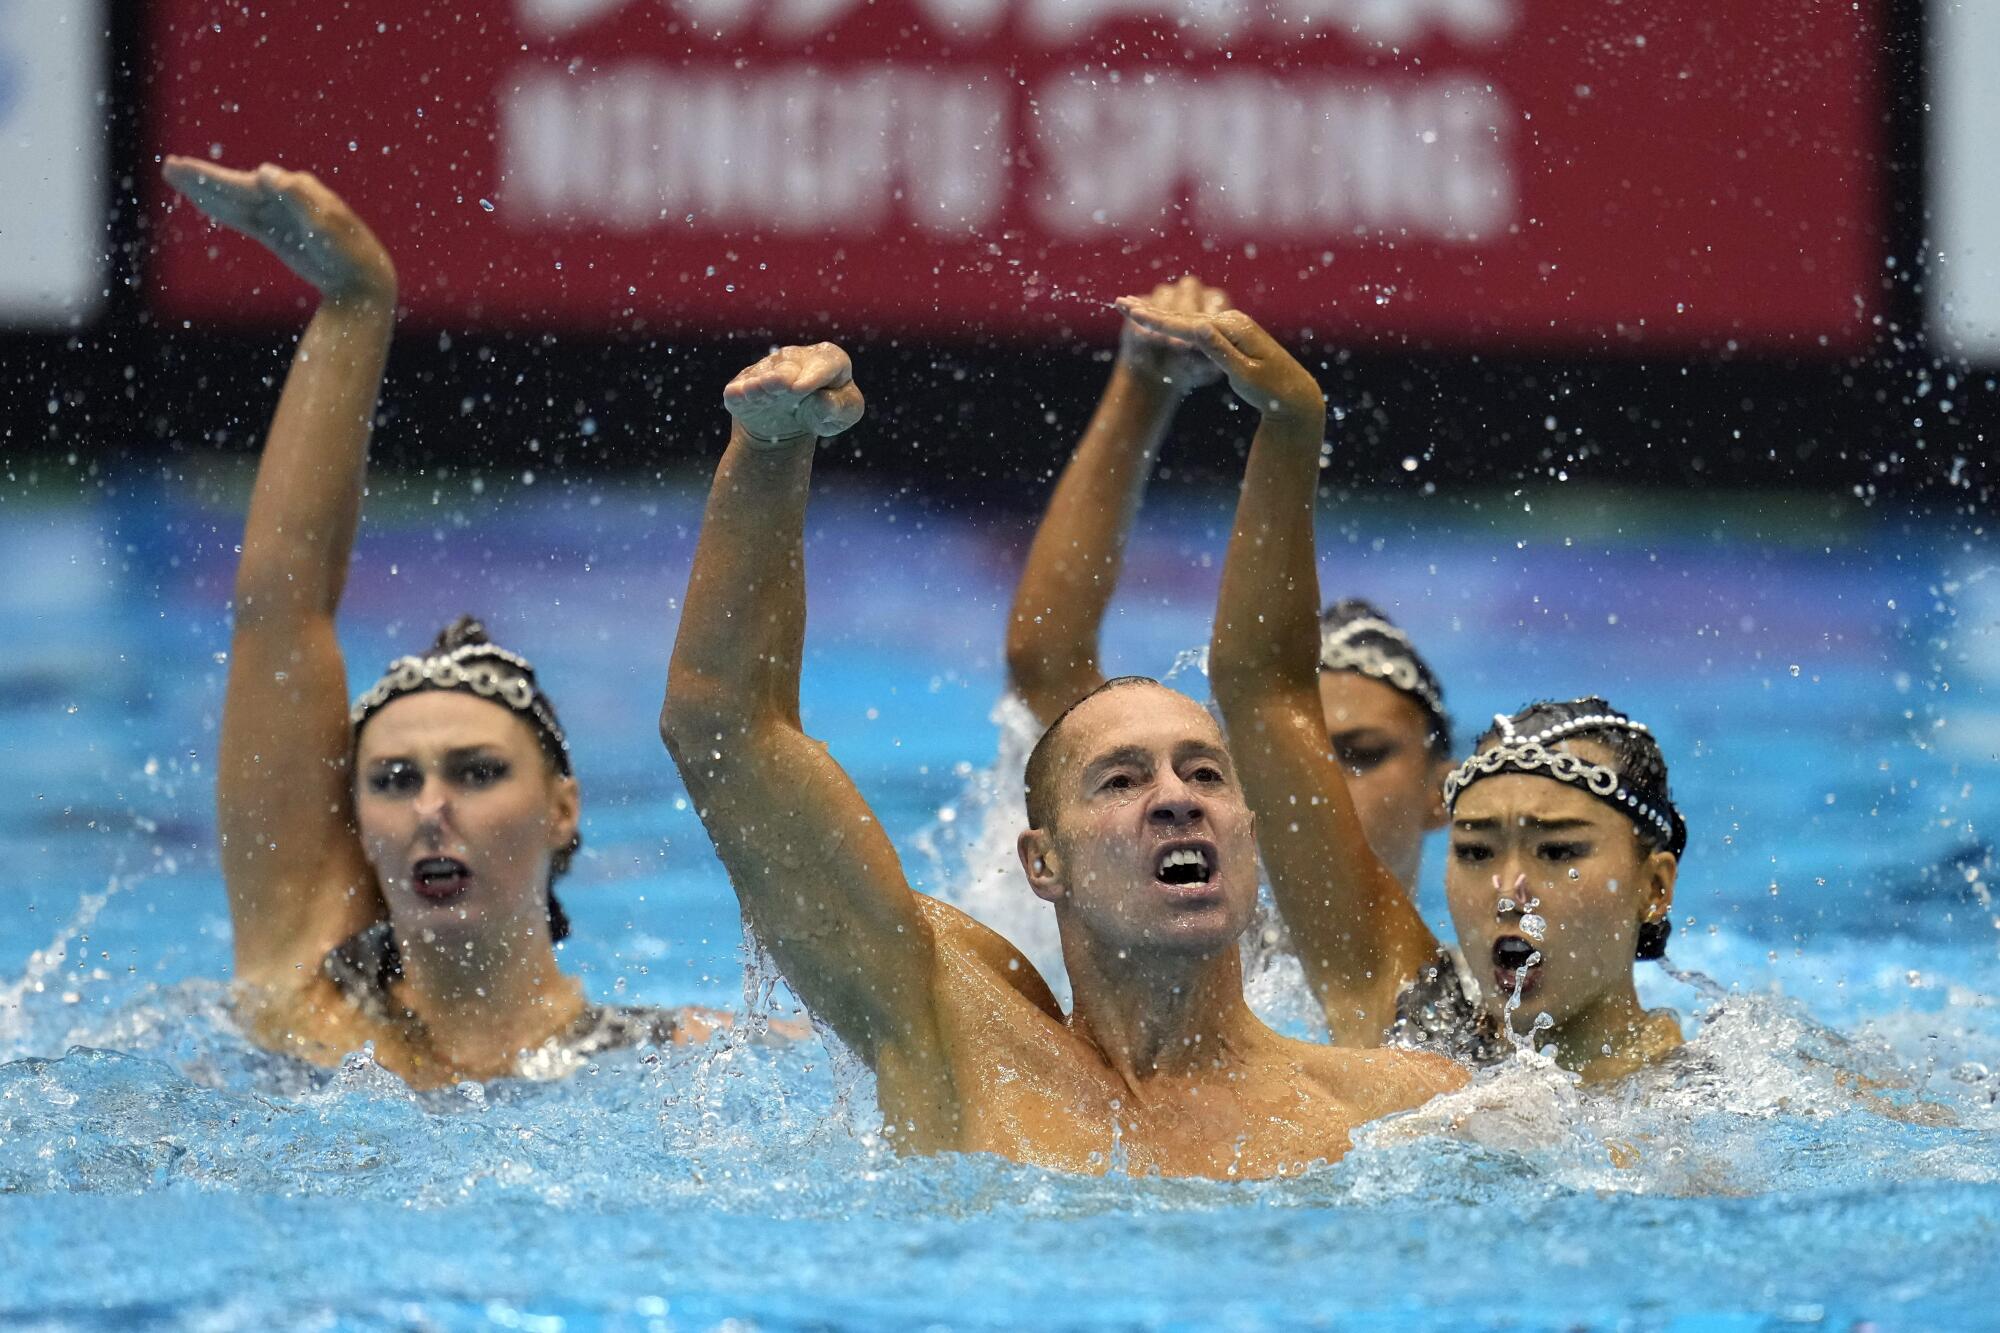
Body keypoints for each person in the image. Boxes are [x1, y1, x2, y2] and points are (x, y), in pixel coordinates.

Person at [661, 338, 1464, 1179]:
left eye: (1205, 773)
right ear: (1042, 861)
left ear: (1250, 833)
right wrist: (771, 451)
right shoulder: (958, 1038)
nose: (1175, 799)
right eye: (1121, 779)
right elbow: (722, 727)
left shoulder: (1404, 1107)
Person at [170, 157, 733, 1086]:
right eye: (393, 779)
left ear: (562, 808)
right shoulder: (301, 1003)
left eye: (476, 772)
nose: (431, 807)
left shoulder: (675, 1063)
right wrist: (357, 301)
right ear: (356, 821)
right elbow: (280, 610)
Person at [1117, 299, 1689, 1082]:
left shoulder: (1740, 1098)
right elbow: (1258, 687)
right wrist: (1291, 428)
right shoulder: (1414, 1016)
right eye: (1476, 849)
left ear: (1654, 887)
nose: (1510, 891)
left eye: (1558, 850)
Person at [1005, 278, 1452, 904]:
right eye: (1263, 759)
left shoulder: (1469, 989)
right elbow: (1047, 667)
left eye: (1360, 755)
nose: (1310, 783)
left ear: (1443, 792)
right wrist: (1141, 386)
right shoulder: (1153, 930)